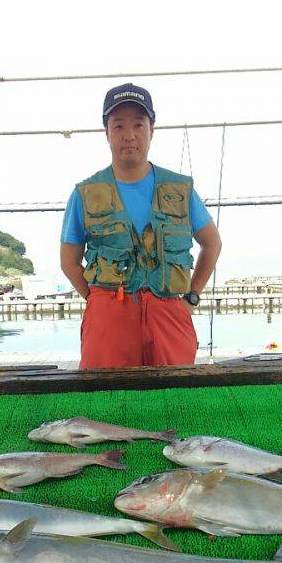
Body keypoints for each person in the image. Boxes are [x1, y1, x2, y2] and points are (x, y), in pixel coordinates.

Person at [60, 83, 222, 369]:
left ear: (152, 129)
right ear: (107, 132)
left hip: (169, 313)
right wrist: (98, 300)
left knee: (173, 401)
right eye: (119, 126)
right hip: (108, 317)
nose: (129, 136)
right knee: (102, 399)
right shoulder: (85, 193)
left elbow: (212, 243)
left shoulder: (180, 189)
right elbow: (68, 261)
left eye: (138, 124)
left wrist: (191, 298)